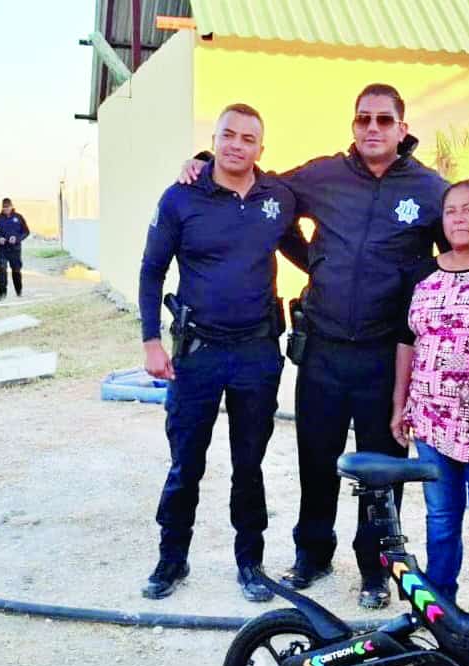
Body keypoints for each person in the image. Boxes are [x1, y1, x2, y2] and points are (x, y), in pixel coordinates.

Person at [180, 83, 448, 609]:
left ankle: (377, 567)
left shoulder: (429, 189)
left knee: (382, 465)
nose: (372, 128)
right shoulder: (325, 175)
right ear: (353, 125)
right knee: (316, 456)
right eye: (363, 118)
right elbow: (265, 191)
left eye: (384, 120)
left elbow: (455, 252)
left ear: (402, 128)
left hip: (385, 353)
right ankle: (313, 554)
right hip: (323, 346)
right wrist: (208, 162)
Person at [139, 103, 299, 603]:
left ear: (261, 148)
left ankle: (250, 563)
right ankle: (171, 558)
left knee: (249, 465)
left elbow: (309, 253)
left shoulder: (277, 198)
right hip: (198, 353)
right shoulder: (180, 197)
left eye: (248, 139)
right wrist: (150, 341)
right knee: (186, 463)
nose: (237, 145)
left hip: (256, 353)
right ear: (213, 141)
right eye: (228, 135)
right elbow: (151, 269)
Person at [390, 180, 469, 611]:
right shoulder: (419, 273)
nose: (459, 218)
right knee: (440, 517)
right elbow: (406, 341)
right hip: (430, 416)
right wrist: (400, 404)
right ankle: (440, 608)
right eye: (451, 210)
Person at [0, 198, 30, 300]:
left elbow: (26, 232)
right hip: (2, 248)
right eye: (4, 207)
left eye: (7, 207)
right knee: (2, 269)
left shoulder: (18, 217)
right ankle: (2, 294)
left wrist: (17, 238)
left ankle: (19, 291)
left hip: (15, 248)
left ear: (11, 206)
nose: (6, 209)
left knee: (16, 270)